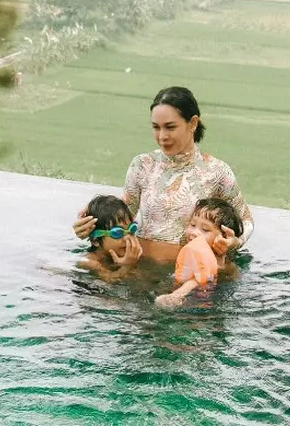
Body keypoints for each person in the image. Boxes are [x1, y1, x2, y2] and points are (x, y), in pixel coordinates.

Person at [73, 86, 254, 264]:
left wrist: (235, 242)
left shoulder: (217, 171)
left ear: (193, 123)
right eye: (156, 127)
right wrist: (90, 227)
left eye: (170, 127)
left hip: (187, 274)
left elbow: (246, 220)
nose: (162, 136)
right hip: (139, 270)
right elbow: (124, 214)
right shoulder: (142, 164)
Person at [155, 198, 243, 309]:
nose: (194, 233)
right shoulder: (190, 252)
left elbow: (198, 280)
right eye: (192, 225)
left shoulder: (218, 263)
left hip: (208, 306)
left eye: (205, 229)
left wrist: (176, 295)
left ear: (223, 237)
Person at [76, 195, 144, 282]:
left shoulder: (127, 254)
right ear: (95, 240)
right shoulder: (90, 262)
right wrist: (128, 266)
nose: (127, 238)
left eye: (132, 229)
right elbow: (110, 280)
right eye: (118, 232)